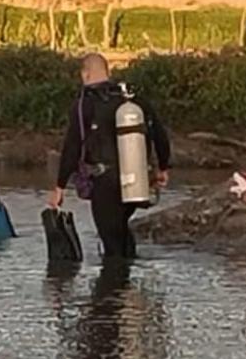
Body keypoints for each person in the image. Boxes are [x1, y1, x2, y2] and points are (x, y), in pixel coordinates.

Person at [48, 53, 171, 258]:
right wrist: (163, 168)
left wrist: (59, 187)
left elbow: (72, 146)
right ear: (108, 72)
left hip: (106, 183)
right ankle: (129, 273)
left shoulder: (85, 103)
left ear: (85, 74)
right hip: (137, 180)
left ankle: (115, 277)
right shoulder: (132, 98)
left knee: (111, 242)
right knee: (122, 231)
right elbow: (159, 133)